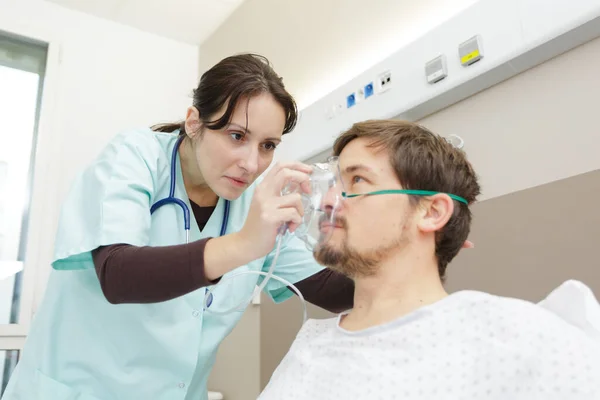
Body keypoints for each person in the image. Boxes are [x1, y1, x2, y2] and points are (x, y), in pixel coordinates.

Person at [1, 54, 359, 400]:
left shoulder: (252, 206)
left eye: (267, 146)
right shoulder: (136, 155)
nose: (251, 164)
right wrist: (244, 244)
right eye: (236, 136)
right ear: (193, 122)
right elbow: (117, 273)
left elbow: (333, 291)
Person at [258, 120, 600, 400]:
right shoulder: (310, 346)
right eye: (333, 182)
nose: (330, 200)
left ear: (432, 211)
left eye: (357, 180)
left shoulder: (520, 339)